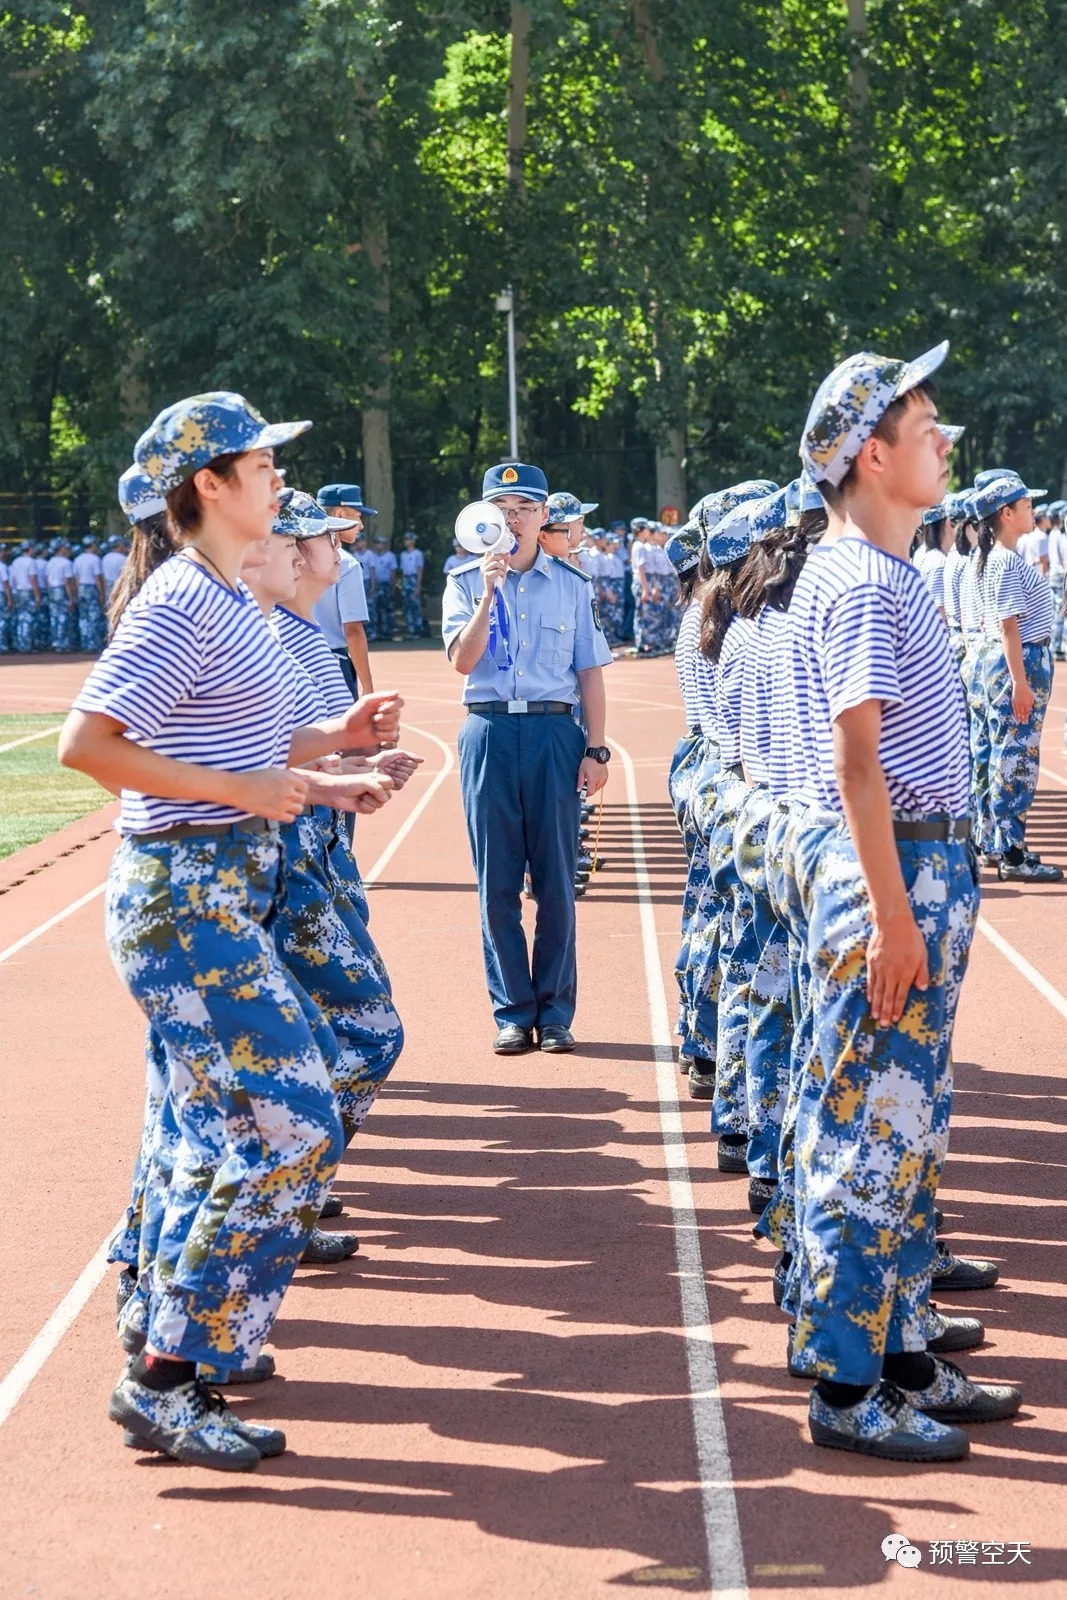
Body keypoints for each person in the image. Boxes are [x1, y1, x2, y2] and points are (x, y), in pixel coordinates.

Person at [58, 389, 402, 1471]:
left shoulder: (222, 598)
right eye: (260, 464)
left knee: (259, 1120)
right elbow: (87, 743)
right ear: (207, 484)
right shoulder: (176, 599)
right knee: (286, 1127)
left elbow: (254, 734)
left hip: (223, 889)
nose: (279, 479)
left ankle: (169, 1328)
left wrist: (329, 753)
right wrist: (241, 789)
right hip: (182, 898)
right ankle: (167, 1372)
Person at [789, 342, 1020, 1462]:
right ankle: (844, 1385)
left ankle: (894, 1352)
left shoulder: (883, 573)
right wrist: (891, 915)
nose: (942, 438)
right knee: (865, 1136)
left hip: (921, 865)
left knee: (906, 1128)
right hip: (895, 871)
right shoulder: (859, 580)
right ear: (870, 455)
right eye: (922, 423)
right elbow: (855, 764)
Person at [442, 461, 612, 1054]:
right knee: (496, 883)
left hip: (553, 734)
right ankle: (513, 1011)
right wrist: (489, 593)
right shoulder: (464, 583)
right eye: (501, 509)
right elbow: (464, 663)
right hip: (488, 731)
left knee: (557, 879)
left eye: (523, 509)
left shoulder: (572, 585)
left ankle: (557, 1011)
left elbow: (589, 671)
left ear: (545, 516)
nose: (512, 520)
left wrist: (595, 748)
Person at [972, 471, 1062, 883]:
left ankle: (996, 843)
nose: (1032, 511)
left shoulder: (996, 555)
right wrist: (1021, 682)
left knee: (1001, 751)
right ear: (1006, 513)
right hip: (1018, 659)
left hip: (1012, 658)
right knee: (1016, 757)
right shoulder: (1006, 560)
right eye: (1026, 505)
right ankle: (1012, 851)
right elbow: (1009, 625)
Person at [315, 484, 375, 693]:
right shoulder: (346, 564)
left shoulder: (293, 555)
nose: (361, 525)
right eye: (358, 517)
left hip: (293, 660)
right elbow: (354, 631)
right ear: (340, 514)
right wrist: (367, 689)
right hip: (333, 666)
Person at [73, 534, 107, 653]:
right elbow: (98, 578)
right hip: (91, 588)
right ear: (92, 545)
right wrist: (102, 593)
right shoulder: (95, 559)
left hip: (81, 587)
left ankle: (85, 643)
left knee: (83, 617)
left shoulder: (78, 559)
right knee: (94, 616)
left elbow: (76, 578)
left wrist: (78, 591)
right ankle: (93, 644)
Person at [45, 537, 78, 652]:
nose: (68, 549)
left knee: (54, 617)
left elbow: (47, 580)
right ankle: (64, 643)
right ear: (60, 549)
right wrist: (71, 598)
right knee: (64, 617)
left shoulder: (50, 562)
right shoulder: (66, 562)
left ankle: (56, 642)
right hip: (62, 590)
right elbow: (67, 582)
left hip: (53, 590)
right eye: (65, 547)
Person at [1046, 499, 1067, 659]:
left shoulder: (1053, 533)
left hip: (1054, 574)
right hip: (1061, 575)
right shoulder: (1061, 535)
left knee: (1057, 611)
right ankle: (1061, 646)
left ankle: (1057, 645)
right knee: (1062, 611)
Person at [398, 531, 427, 637]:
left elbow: (420, 569)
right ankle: (410, 628)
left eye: (409, 539)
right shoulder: (403, 554)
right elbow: (402, 570)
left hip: (414, 579)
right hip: (406, 579)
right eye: (406, 539)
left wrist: (418, 585)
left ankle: (418, 629)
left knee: (416, 605)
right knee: (407, 605)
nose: (407, 541)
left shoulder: (417, 553)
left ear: (413, 541)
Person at [372, 532, 397, 640]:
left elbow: (393, 572)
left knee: (388, 609)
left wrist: (393, 586)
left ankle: (389, 632)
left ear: (385, 545)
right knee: (376, 610)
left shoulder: (390, 556)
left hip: (386, 585)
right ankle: (379, 633)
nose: (378, 545)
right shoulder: (373, 556)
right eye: (377, 543)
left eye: (380, 543)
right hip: (376, 585)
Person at [102, 535, 129, 604]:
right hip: (119, 587)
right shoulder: (123, 558)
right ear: (119, 545)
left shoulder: (105, 558)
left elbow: (104, 577)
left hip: (108, 587)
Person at [0, 545, 11, 652]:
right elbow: (5, 584)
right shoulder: (2, 566)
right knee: (2, 621)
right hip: (1, 594)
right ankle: (2, 645)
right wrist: (10, 599)